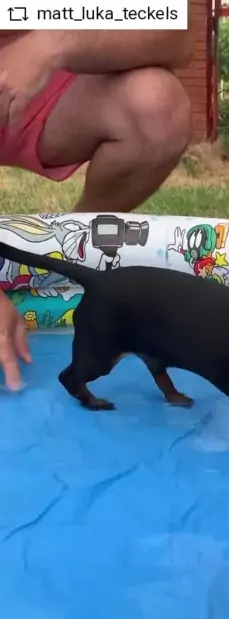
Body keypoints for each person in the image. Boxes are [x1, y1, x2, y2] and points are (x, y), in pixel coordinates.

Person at [0, 26, 194, 389]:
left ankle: (67, 253)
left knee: (156, 106)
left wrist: (51, 43)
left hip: (45, 91)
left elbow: (174, 33)